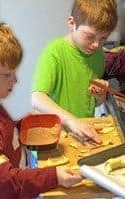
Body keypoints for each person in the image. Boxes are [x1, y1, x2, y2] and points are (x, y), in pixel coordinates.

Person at [0, 20, 82, 199]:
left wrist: (19, 126)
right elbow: (0, 185)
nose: (15, 80)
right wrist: (53, 176)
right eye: (6, 74)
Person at [31, 0, 118, 144]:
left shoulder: (98, 55)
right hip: (51, 135)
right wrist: (72, 121)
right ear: (72, 23)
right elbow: (37, 98)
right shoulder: (53, 53)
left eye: (103, 38)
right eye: (89, 36)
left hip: (80, 131)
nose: (96, 44)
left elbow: (94, 104)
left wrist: (99, 96)